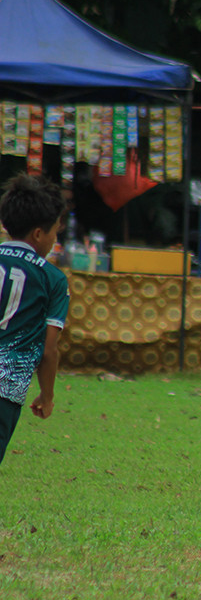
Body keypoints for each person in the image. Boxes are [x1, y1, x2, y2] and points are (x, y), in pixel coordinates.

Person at [0, 174, 69, 465]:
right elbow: (49, 349)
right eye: (55, 232)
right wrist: (47, 395)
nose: (56, 240)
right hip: (6, 388)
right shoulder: (52, 278)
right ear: (39, 234)